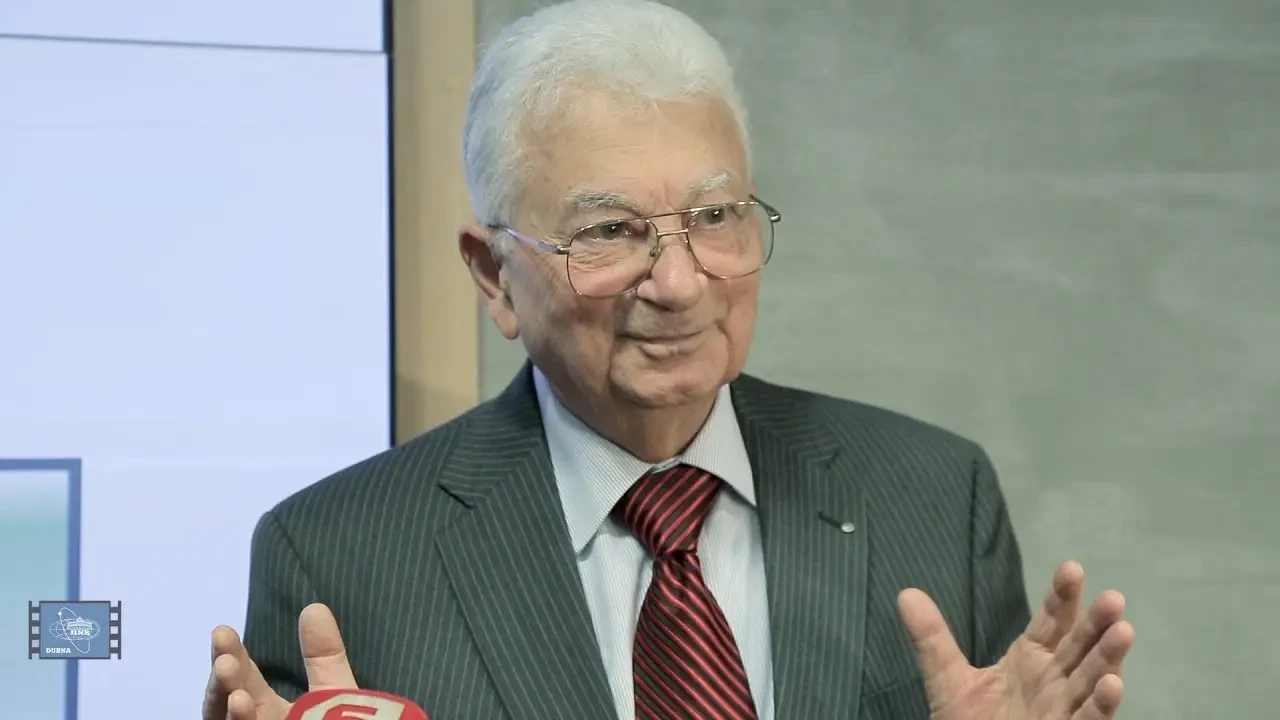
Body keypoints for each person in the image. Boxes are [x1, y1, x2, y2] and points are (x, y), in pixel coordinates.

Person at [202, 1, 1135, 718]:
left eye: (716, 217)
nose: (681, 284)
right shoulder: (338, 560)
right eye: (610, 231)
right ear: (494, 277)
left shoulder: (933, 497)